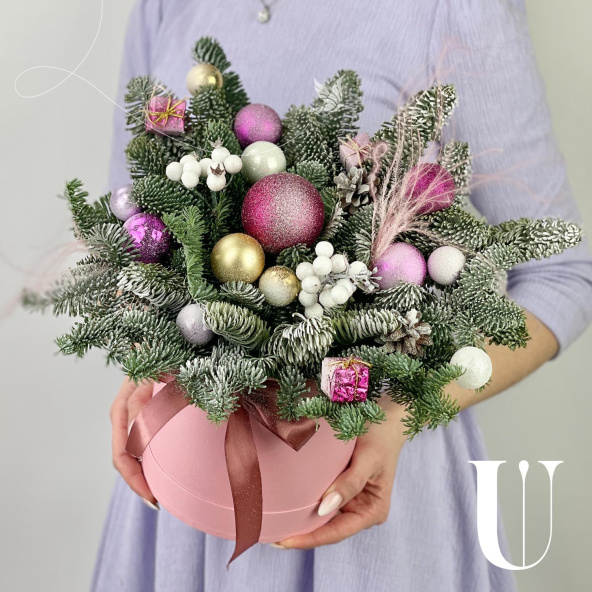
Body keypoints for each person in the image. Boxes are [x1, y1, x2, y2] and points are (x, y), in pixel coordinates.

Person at [93, 1, 592, 590]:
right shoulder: (164, 7)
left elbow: (565, 276)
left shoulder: (455, 10)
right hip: (182, 472)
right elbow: (129, 226)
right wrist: (141, 367)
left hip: (363, 485)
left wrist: (401, 415)